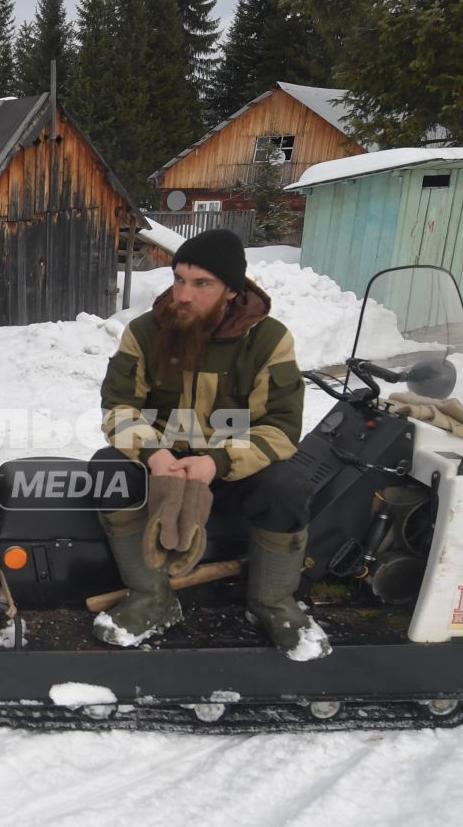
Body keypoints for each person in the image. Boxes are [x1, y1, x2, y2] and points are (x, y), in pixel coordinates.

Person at [90, 228, 328, 656]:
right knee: (107, 468)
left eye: (202, 283)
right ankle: (153, 597)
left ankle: (272, 602)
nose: (183, 294)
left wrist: (217, 462)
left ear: (232, 292)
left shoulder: (269, 340)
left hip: (232, 470)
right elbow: (119, 407)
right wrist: (153, 453)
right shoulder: (143, 333)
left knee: (287, 485)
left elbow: (280, 427)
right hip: (163, 467)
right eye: (179, 278)